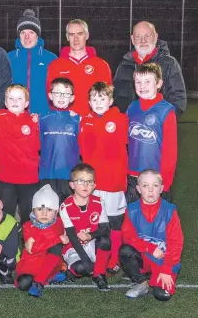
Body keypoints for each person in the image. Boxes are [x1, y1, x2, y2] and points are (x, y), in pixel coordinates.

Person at [79, 81, 128, 274]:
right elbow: (83, 151)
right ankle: (97, 256)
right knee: (97, 222)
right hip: (93, 184)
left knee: (115, 222)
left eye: (102, 98)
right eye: (94, 99)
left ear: (111, 100)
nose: (98, 102)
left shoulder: (120, 119)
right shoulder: (85, 121)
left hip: (113, 182)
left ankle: (114, 259)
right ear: (89, 102)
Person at [120, 169, 183, 301]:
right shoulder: (132, 209)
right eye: (145, 185)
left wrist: (166, 269)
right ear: (138, 188)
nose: (150, 190)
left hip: (164, 259)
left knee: (161, 295)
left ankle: (156, 275)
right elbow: (127, 236)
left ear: (162, 189)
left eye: (155, 185)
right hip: (144, 256)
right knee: (125, 250)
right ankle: (142, 282)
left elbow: (176, 243)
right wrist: (150, 248)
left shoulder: (169, 211)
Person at [125, 63, 177, 203]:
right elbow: (124, 140)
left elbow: (170, 150)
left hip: (155, 177)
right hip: (133, 174)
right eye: (138, 82)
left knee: (157, 219)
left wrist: (165, 180)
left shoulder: (166, 110)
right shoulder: (132, 107)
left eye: (148, 81)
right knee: (134, 215)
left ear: (159, 83)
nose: (142, 86)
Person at [113, 21, 186, 117]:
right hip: (128, 125)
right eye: (138, 36)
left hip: (156, 127)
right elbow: (114, 96)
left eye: (147, 35)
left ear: (155, 37)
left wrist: (161, 121)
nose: (143, 41)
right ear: (132, 39)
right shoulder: (124, 64)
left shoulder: (169, 63)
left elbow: (178, 100)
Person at [59, 164, 111, 291]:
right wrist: (85, 260)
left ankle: (99, 275)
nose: (86, 185)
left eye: (89, 182)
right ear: (72, 185)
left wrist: (90, 235)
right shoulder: (65, 206)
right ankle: (71, 270)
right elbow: (71, 235)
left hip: (91, 242)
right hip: (73, 246)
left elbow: (105, 228)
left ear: (94, 185)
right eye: (81, 181)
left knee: (105, 241)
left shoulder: (99, 202)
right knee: (82, 268)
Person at [0, 85, 40, 225]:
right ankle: (7, 244)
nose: (15, 101)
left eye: (19, 98)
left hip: (29, 179)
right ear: (5, 102)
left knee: (29, 216)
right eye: (11, 98)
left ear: (26, 104)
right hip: (5, 178)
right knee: (6, 215)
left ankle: (30, 244)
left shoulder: (35, 122)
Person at [46, 19, 112, 117]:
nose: (76, 39)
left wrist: (96, 116)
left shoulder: (101, 65)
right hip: (66, 122)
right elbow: (50, 96)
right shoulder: (55, 65)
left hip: (92, 121)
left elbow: (107, 96)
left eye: (80, 34)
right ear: (67, 37)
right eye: (72, 35)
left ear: (87, 35)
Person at [15, 184, 69, 298]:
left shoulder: (60, 222)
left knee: (57, 246)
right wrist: (57, 239)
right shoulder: (28, 226)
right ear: (33, 210)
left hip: (50, 263)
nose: (44, 213)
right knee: (23, 283)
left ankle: (40, 281)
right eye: (39, 209)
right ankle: (48, 277)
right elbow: (34, 248)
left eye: (49, 210)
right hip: (31, 265)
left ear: (56, 211)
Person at [7, 9, 57, 116]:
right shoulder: (8, 58)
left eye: (31, 32)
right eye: (23, 33)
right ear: (18, 35)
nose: (27, 37)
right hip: (15, 116)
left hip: (43, 115)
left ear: (37, 35)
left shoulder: (51, 58)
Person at [39, 78, 81, 203]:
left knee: (68, 212)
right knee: (48, 210)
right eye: (57, 93)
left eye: (66, 93)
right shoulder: (41, 118)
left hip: (69, 175)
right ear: (50, 95)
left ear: (72, 98)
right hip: (47, 174)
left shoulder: (78, 120)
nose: (61, 97)